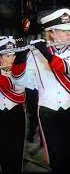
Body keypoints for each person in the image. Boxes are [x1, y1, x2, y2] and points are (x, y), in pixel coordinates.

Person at [11, 8, 70, 172]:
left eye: (69, 31)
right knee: (56, 160)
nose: (68, 35)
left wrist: (45, 53)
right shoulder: (34, 56)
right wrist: (21, 57)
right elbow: (19, 81)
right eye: (64, 31)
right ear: (51, 33)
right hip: (47, 112)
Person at [0, 36, 26, 173]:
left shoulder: (18, 72)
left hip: (15, 113)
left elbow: (17, 89)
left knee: (15, 151)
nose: (12, 59)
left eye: (14, 54)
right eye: (8, 55)